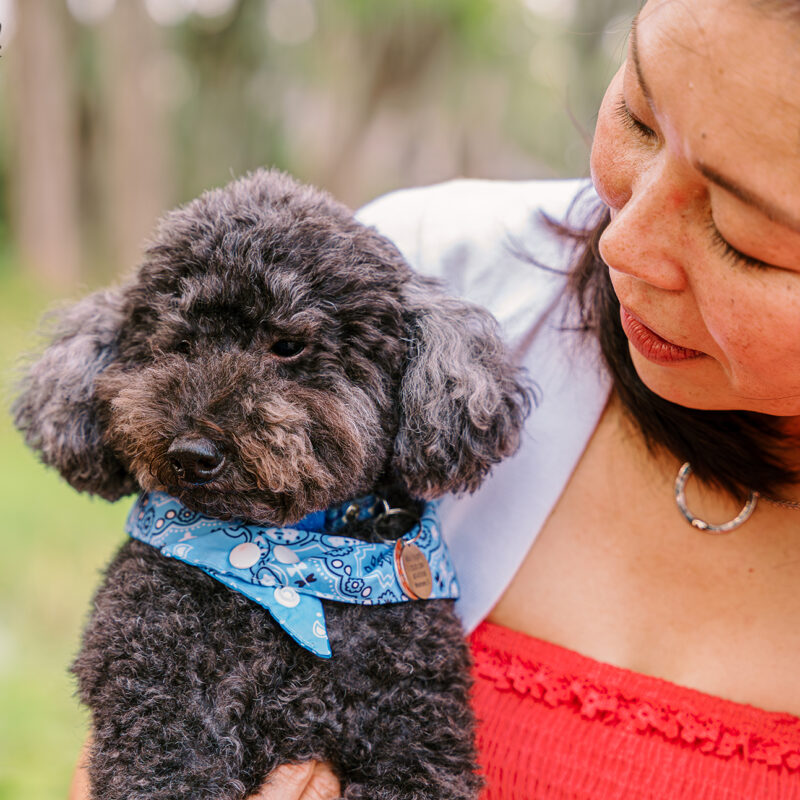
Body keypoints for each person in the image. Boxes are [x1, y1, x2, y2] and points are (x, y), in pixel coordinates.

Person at [70, 0, 800, 795]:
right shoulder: (425, 256)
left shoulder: (426, 355)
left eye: (742, 237)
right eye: (639, 117)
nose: (620, 244)